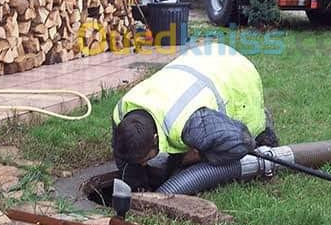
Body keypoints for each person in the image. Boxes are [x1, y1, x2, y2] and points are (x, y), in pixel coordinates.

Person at [112, 42, 279, 191]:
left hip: (233, 71)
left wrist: (197, 156)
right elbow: (124, 158)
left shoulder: (193, 125)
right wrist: (137, 186)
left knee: (254, 134)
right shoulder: (121, 113)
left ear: (155, 138)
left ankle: (266, 135)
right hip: (198, 63)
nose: (143, 164)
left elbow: (242, 143)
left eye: (145, 158)